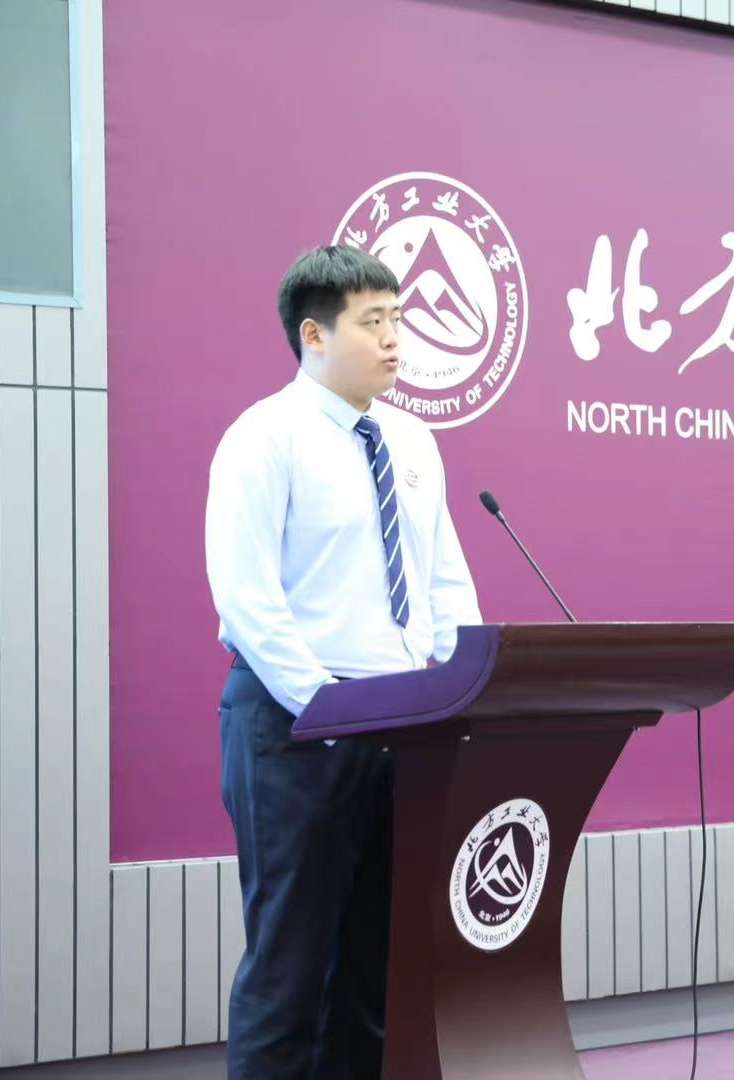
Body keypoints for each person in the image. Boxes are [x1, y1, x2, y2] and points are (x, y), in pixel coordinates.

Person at [205, 245, 482, 1078]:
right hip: (295, 725)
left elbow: (443, 584)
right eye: (373, 322)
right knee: (289, 967)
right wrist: (329, 705)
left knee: (375, 967)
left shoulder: (413, 441)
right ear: (314, 334)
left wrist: (464, 692)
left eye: (398, 318)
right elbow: (247, 598)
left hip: (402, 728)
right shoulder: (264, 438)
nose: (396, 338)